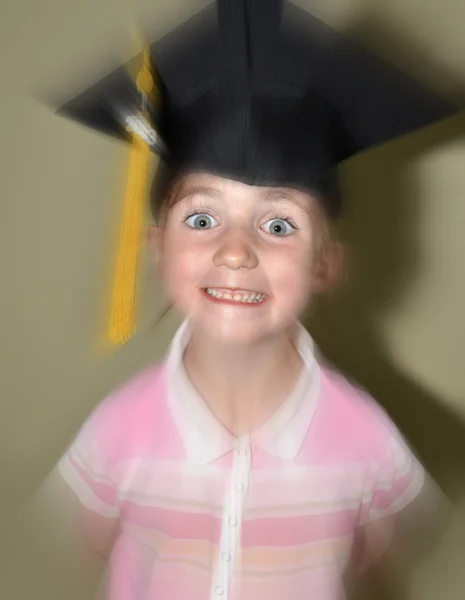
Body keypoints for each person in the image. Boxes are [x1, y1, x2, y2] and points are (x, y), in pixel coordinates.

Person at [37, 1, 459, 599]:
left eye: (280, 225)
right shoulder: (116, 431)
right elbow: (96, 545)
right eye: (202, 217)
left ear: (326, 264)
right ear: (157, 247)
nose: (236, 251)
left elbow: (377, 553)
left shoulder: (368, 441)